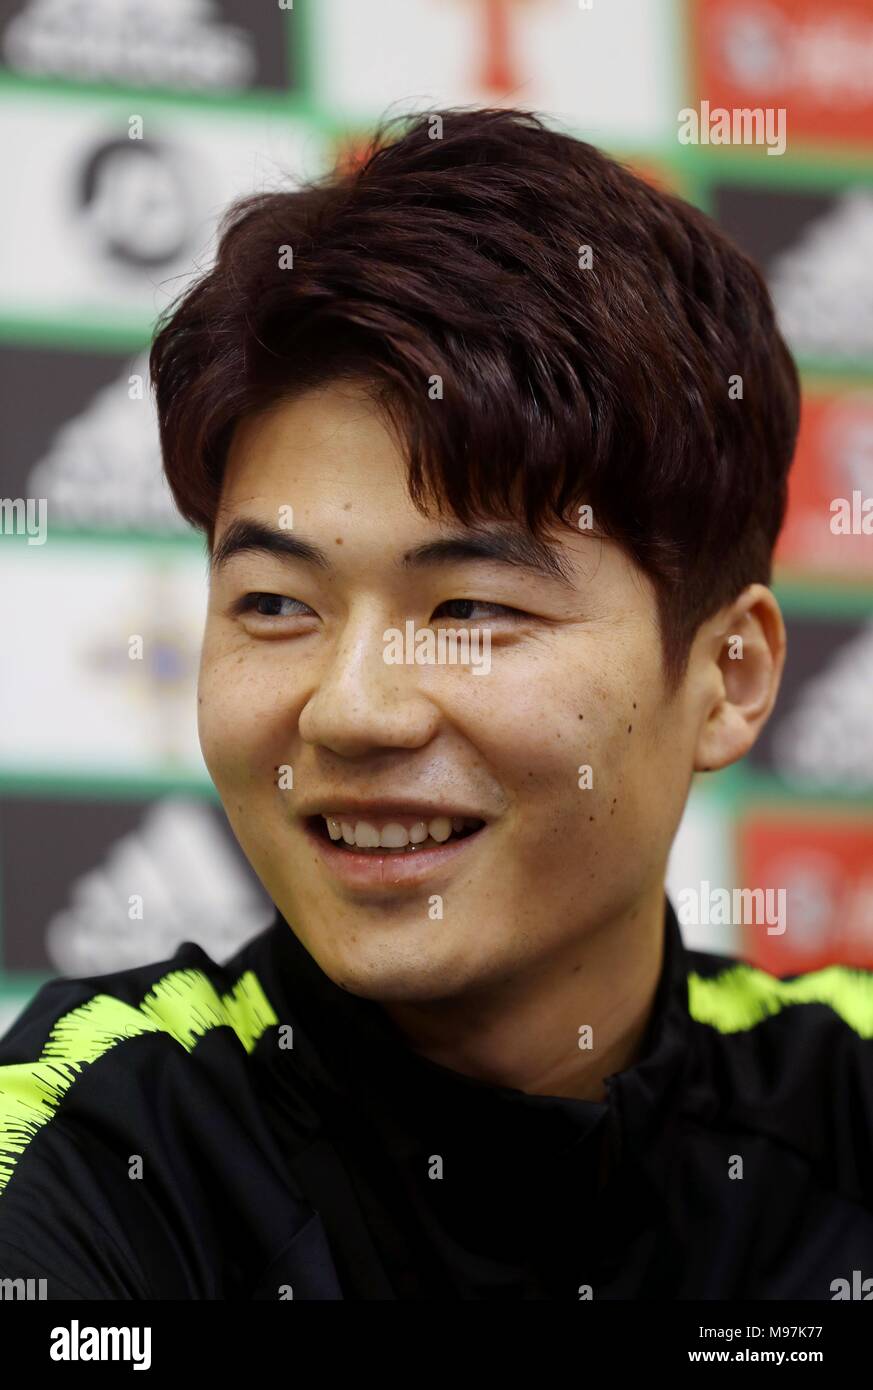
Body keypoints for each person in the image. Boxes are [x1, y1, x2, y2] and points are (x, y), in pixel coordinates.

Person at [2, 107, 870, 1301]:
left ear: (730, 676)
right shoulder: (92, 1150)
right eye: (273, 604)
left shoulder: (847, 1098)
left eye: (469, 611)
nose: (350, 713)